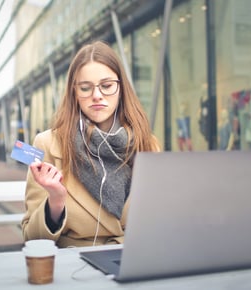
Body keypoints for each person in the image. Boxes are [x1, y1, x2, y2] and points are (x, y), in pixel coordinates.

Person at [21, 41, 161, 248]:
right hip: (76, 265)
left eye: (106, 86)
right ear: (74, 93)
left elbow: (159, 217)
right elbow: (30, 237)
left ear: (121, 88)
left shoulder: (148, 144)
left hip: (136, 257)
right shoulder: (46, 143)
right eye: (85, 88)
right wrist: (56, 202)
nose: (97, 95)